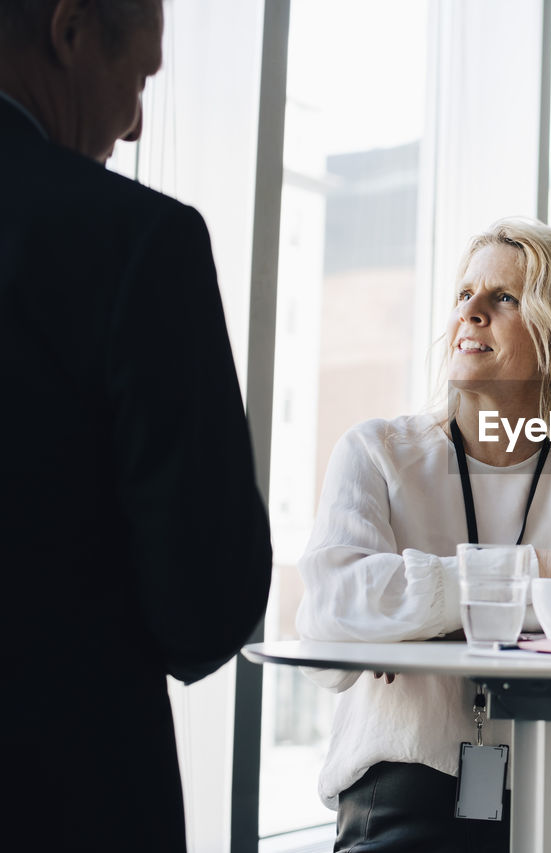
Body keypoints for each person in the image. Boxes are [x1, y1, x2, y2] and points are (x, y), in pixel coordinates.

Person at [297, 218, 551, 853]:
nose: (471, 312)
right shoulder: (377, 451)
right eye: (465, 295)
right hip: (403, 803)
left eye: (504, 298)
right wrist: (548, 578)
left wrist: (429, 612)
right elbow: (332, 614)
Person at [0, 0, 274, 849]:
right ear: (71, 31)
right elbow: (207, 600)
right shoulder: (136, 241)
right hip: (64, 796)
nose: (137, 119)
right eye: (141, 77)